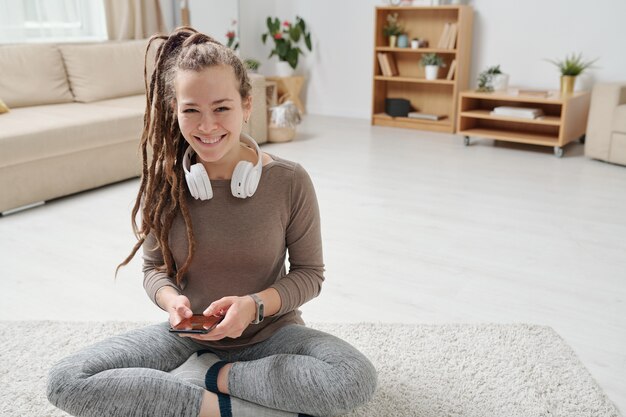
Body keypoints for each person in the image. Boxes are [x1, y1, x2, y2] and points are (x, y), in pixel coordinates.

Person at [47, 27, 377, 417]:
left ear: (247, 106)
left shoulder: (289, 180)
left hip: (272, 334)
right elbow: (153, 268)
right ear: (175, 110)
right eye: (191, 110)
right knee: (67, 380)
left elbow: (310, 274)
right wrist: (172, 303)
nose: (206, 126)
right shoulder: (164, 183)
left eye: (221, 108)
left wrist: (254, 306)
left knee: (353, 378)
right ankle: (230, 406)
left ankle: (215, 377)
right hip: (189, 337)